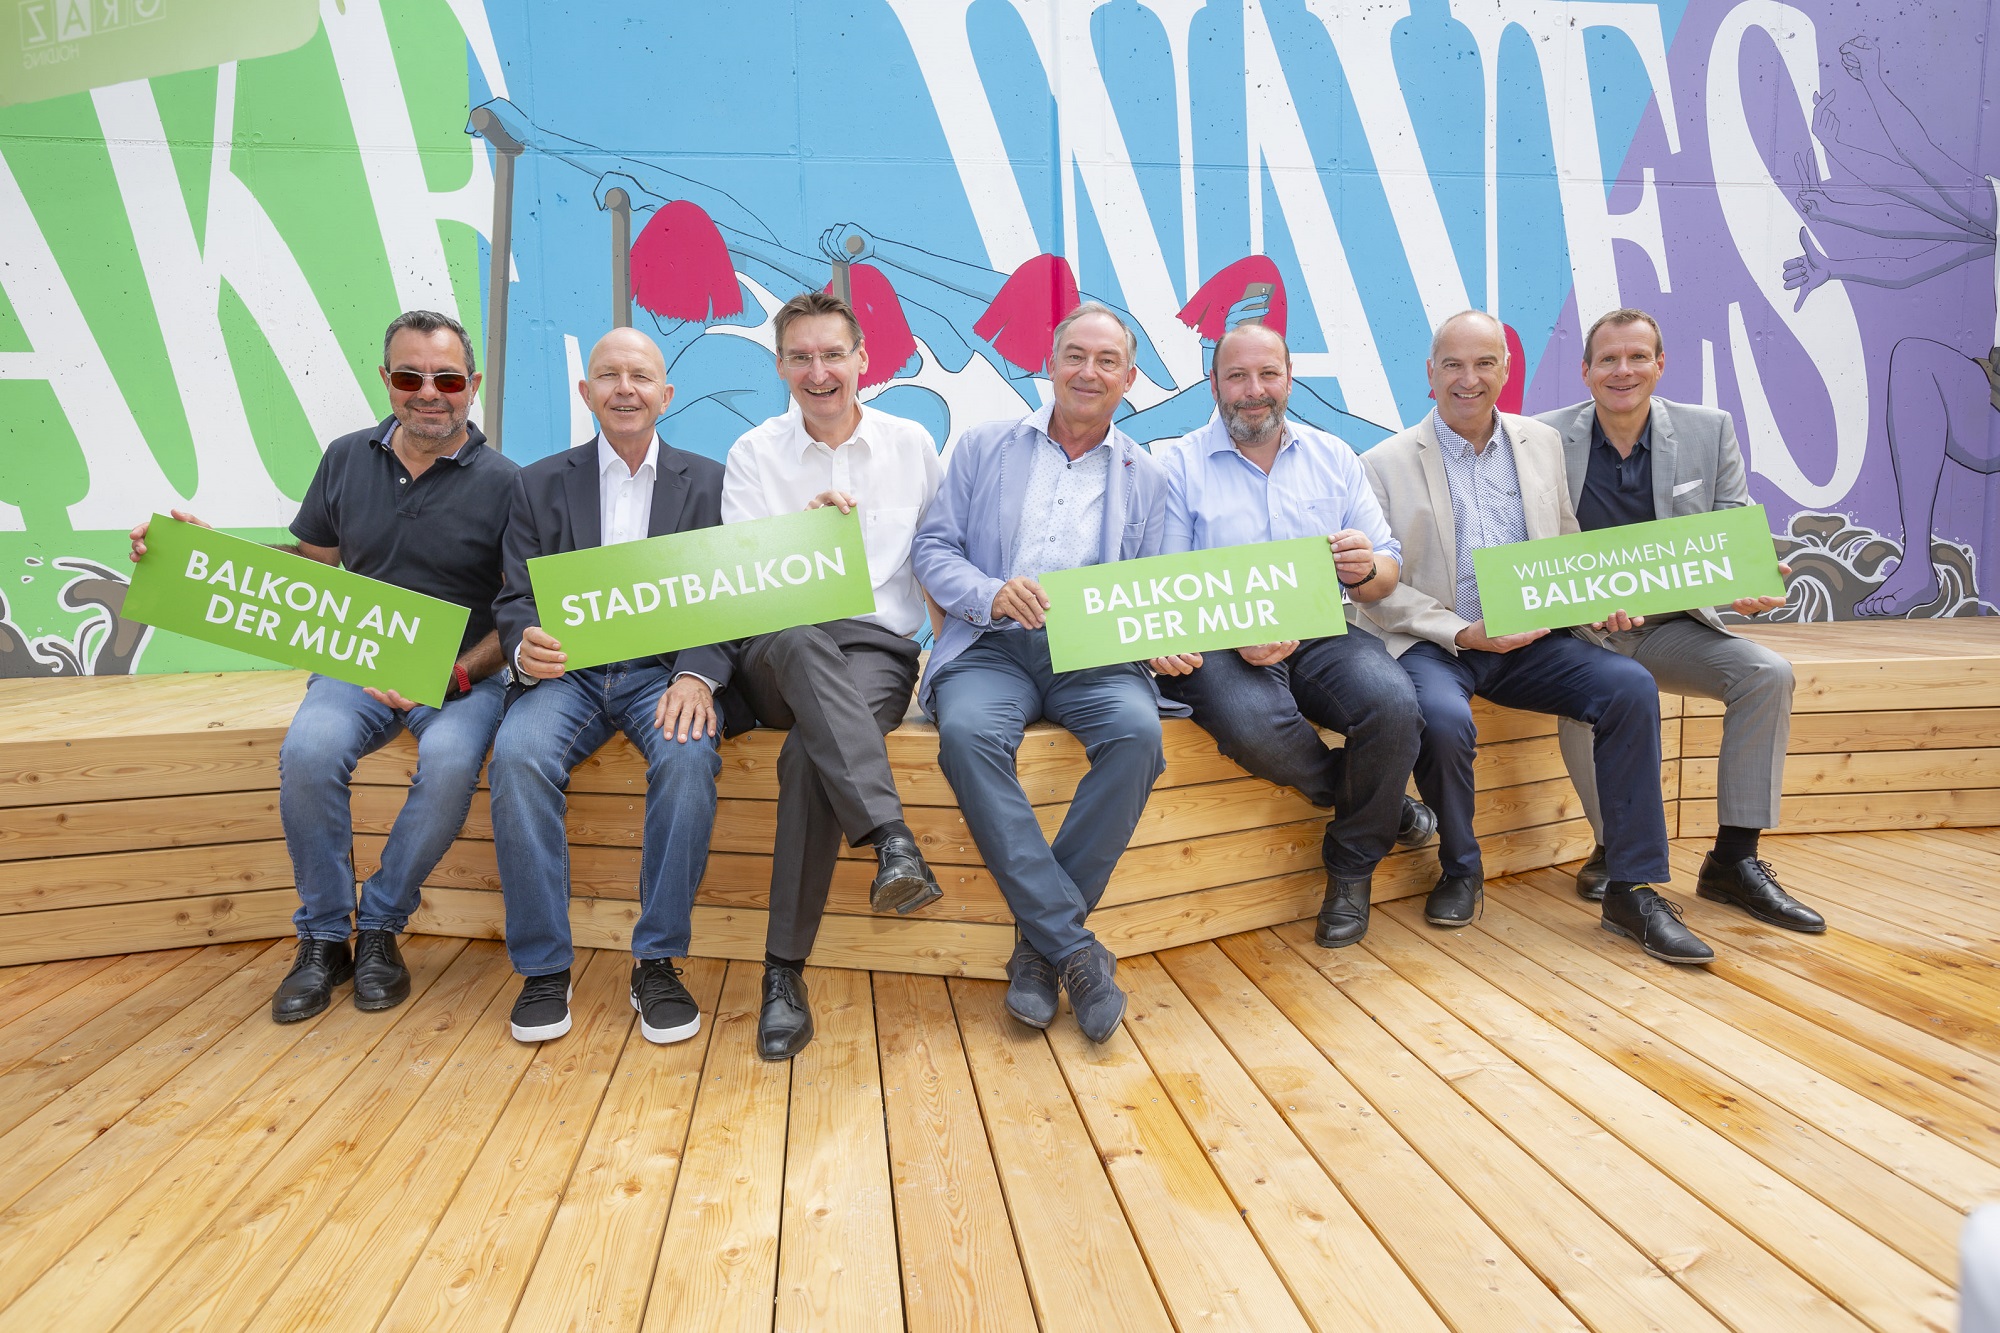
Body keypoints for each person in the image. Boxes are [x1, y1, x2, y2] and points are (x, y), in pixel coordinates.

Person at [128, 310, 516, 1022]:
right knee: (307, 750)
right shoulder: (345, 457)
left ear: (473, 385)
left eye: (447, 377)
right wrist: (205, 558)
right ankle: (325, 938)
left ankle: (381, 926)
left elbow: (518, 609)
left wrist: (454, 676)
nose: (428, 391)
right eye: (409, 376)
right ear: (386, 380)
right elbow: (311, 569)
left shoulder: (508, 483)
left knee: (455, 762)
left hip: (460, 675)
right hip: (357, 662)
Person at [1357, 311, 1713, 963]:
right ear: (1429, 374)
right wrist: (1463, 629)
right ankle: (1462, 867)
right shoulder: (1380, 464)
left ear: (1506, 370)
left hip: (1532, 639)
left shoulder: (1539, 444)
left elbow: (1567, 539)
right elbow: (1375, 589)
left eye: (1485, 363)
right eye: (1454, 365)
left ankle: (1632, 888)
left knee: (1629, 685)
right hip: (1444, 640)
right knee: (1438, 717)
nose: (1470, 379)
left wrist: (1597, 600)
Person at [911, 303, 1173, 1042]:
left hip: (1091, 653)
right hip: (992, 644)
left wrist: (1161, 640)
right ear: (1050, 363)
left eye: (1107, 360)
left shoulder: (1145, 476)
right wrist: (989, 592)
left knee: (1136, 735)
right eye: (1075, 355)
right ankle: (1075, 948)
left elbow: (1151, 587)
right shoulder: (984, 447)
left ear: (1129, 377)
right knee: (964, 734)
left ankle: (1040, 948)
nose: (1089, 371)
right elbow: (934, 549)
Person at [488, 326, 751, 1044]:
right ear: (587, 392)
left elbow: (729, 594)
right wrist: (523, 643)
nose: (624, 388)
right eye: (609, 375)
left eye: (640, 376)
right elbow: (515, 598)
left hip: (661, 674)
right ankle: (543, 968)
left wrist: (699, 671)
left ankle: (657, 960)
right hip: (566, 676)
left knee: (690, 756)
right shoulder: (537, 483)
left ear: (666, 394)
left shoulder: (713, 483)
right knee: (515, 756)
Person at [1150, 322, 1433, 950]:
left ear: (1289, 378)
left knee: (1393, 704)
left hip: (1320, 634)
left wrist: (1367, 568)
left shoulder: (1334, 456)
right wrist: (1235, 631)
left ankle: (1352, 868)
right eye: (1237, 376)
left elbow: (1383, 570)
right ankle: (1384, 808)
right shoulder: (1174, 464)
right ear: (1214, 385)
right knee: (1257, 732)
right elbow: (1165, 583)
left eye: (1267, 374)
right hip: (1221, 642)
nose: (1254, 391)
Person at [1538, 309, 1822, 932]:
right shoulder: (1541, 437)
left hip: (1671, 627)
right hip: (1586, 631)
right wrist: (1581, 609)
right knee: (1591, 699)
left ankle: (1733, 861)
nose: (1624, 370)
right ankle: (1615, 848)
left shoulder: (1708, 430)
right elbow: (1525, 545)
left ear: (1660, 365)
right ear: (1585, 372)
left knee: (1767, 673)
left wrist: (1746, 583)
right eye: (1608, 359)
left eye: (1638, 356)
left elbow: (1733, 530)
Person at [721, 290, 944, 1060]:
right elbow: (744, 588)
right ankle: (889, 838)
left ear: (862, 360)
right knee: (800, 636)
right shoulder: (753, 455)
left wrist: (948, 658)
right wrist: (803, 545)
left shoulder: (912, 444)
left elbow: (939, 560)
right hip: (779, 649)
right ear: (780, 365)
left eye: (832, 354)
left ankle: (782, 975)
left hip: (878, 652)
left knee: (807, 758)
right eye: (801, 357)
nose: (819, 372)